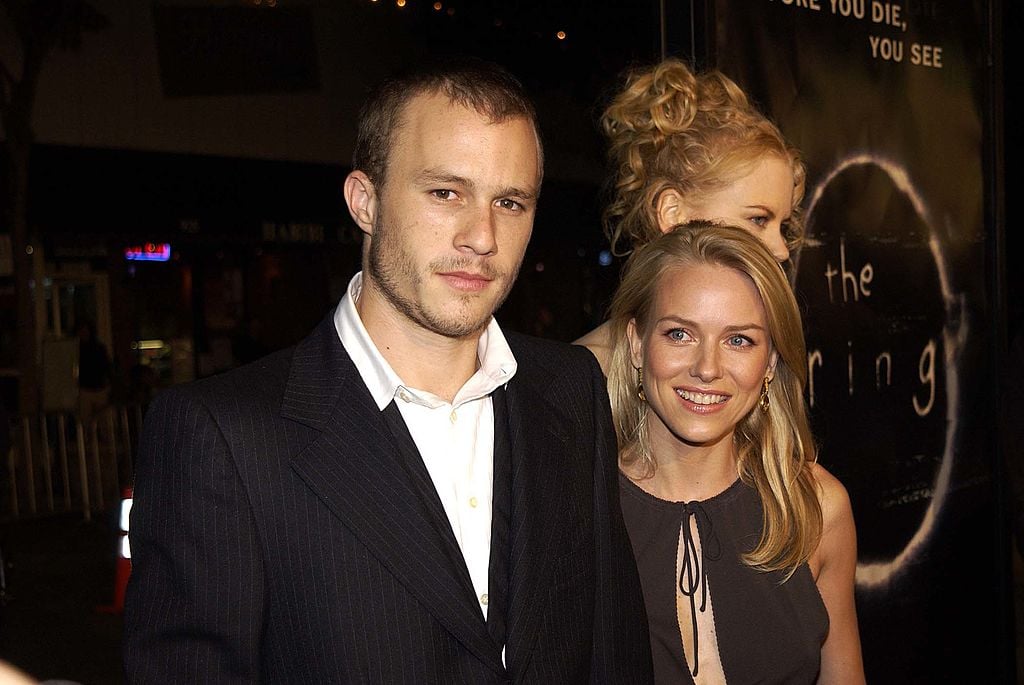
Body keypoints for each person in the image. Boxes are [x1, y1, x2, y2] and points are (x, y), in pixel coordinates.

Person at [123, 57, 653, 683]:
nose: (482, 236)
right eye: (445, 192)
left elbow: (612, 652)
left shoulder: (570, 390)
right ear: (364, 202)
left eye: (510, 202)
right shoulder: (221, 437)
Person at [607, 222, 864, 684]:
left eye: (739, 340)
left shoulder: (816, 508)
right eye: (679, 334)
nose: (707, 368)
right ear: (636, 345)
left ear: (769, 363)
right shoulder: (577, 505)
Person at [576, 58, 805, 375]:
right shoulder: (580, 377)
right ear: (673, 213)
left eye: (783, 226)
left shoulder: (762, 363)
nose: (781, 250)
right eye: (758, 220)